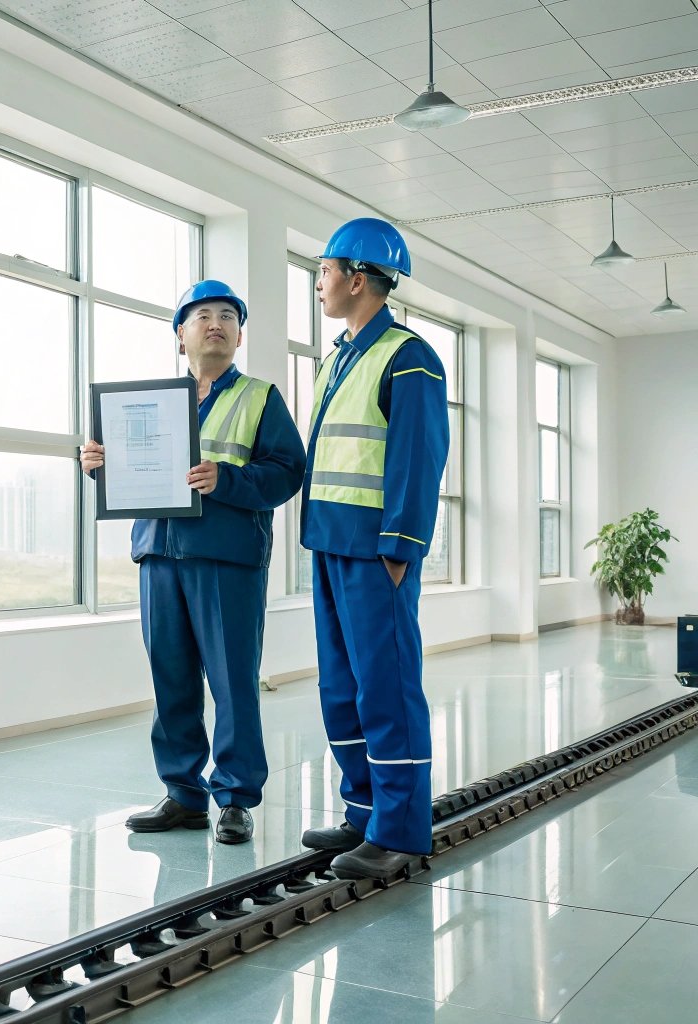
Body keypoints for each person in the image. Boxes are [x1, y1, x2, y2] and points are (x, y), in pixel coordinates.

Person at [81, 281, 305, 845]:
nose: (215, 324)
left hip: (227, 560)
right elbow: (132, 471)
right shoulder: (149, 401)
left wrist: (226, 479)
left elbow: (286, 472)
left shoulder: (260, 398)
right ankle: (183, 794)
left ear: (238, 334)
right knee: (171, 679)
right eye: (202, 315)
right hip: (160, 554)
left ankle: (234, 797)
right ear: (180, 335)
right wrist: (97, 462)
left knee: (233, 683)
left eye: (228, 316)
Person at [298, 218, 449, 880]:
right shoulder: (336, 357)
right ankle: (363, 811)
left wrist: (400, 549)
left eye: (326, 270)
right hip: (330, 544)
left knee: (385, 690)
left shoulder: (409, 357)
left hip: (374, 553)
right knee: (341, 688)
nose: (320, 281)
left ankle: (399, 831)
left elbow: (418, 460)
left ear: (358, 279)